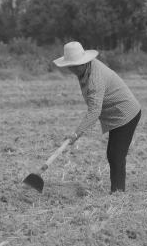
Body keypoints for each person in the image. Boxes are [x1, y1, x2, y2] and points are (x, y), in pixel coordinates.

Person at [53, 41, 142, 193]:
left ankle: (118, 192)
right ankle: (118, 190)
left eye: (74, 66)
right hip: (115, 113)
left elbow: (94, 111)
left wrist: (76, 134)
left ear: (83, 62)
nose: (72, 70)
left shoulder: (95, 79)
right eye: (70, 66)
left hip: (125, 113)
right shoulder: (85, 69)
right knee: (114, 154)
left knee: (115, 154)